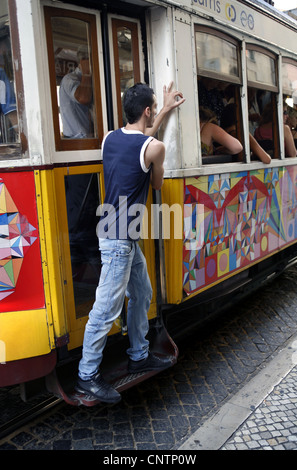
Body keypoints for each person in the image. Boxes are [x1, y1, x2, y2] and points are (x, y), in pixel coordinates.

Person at [75, 82, 185, 404]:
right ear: (147, 111)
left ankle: (139, 354)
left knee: (143, 293)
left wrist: (163, 108)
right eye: (153, 109)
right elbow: (156, 182)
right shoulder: (155, 148)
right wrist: (159, 125)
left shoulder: (109, 137)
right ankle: (86, 375)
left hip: (116, 231)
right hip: (120, 239)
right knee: (106, 308)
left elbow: (140, 137)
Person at [59, 45, 93, 138]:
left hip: (87, 138)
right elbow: (83, 98)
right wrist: (86, 72)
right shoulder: (70, 79)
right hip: (76, 139)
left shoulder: (92, 80)